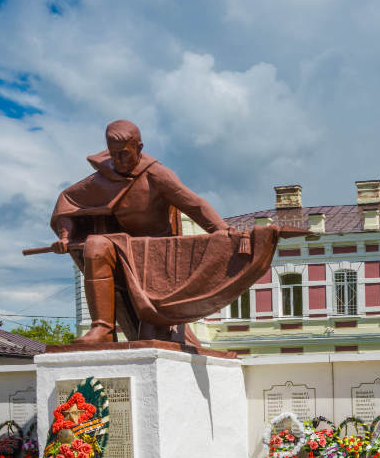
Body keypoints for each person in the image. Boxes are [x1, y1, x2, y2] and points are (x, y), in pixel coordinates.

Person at [49, 120, 295, 345]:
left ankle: (163, 325)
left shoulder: (155, 174)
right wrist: (65, 236)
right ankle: (102, 328)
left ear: (139, 147)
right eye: (114, 155)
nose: (119, 161)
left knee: (150, 335)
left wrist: (222, 230)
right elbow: (68, 203)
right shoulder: (102, 178)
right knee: (96, 245)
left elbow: (193, 203)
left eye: (124, 154)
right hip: (122, 248)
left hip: (156, 253)